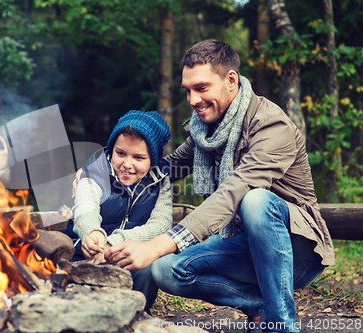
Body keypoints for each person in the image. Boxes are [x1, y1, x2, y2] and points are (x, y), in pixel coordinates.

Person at [103, 40, 335, 333]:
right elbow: (169, 167)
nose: (192, 99)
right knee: (165, 269)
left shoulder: (272, 127)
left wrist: (159, 243)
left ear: (231, 80)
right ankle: (259, 307)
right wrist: (99, 172)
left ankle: (280, 326)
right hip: (242, 244)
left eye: (201, 88)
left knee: (255, 201)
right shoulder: (206, 130)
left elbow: (233, 193)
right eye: (187, 90)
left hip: (297, 251)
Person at [63, 110, 173, 312]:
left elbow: (161, 223)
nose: (127, 165)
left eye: (139, 157)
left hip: (127, 253)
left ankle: (138, 313)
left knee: (147, 268)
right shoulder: (94, 172)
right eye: (120, 153)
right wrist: (93, 234)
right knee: (67, 270)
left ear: (153, 159)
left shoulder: (159, 180)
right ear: (111, 150)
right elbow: (85, 205)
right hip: (85, 250)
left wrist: (114, 242)